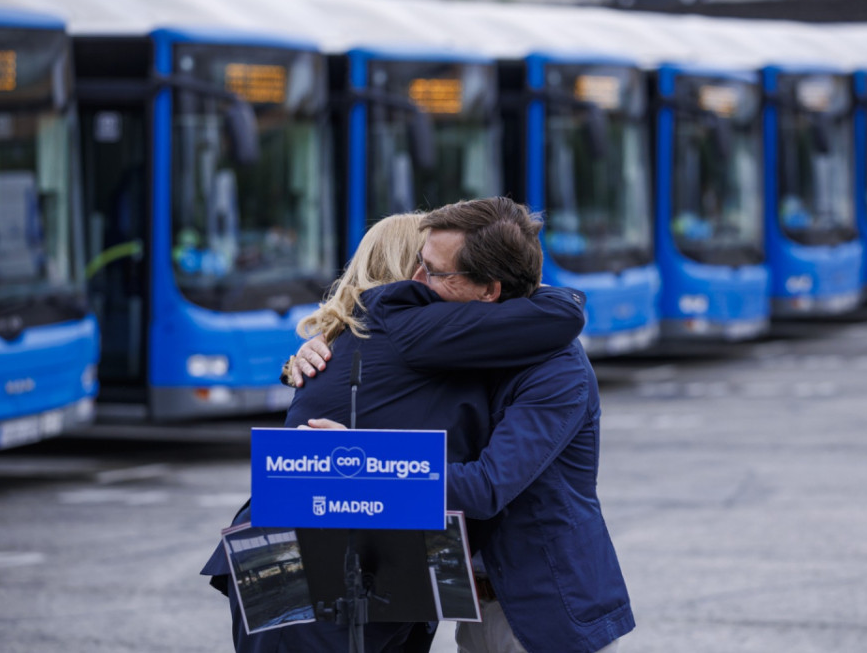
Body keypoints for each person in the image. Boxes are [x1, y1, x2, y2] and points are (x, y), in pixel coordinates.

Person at [201, 203, 588, 652]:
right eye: (421, 265)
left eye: (437, 269)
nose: (425, 279)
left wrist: (294, 363)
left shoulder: (358, 337)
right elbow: (559, 316)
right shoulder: (408, 321)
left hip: (298, 552)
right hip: (334, 561)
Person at [292, 199, 635, 653]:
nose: (416, 281)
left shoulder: (557, 370)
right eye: (418, 262)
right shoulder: (462, 345)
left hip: (541, 618)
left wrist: (366, 462)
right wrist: (312, 353)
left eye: (433, 272)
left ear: (489, 291)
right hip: (477, 610)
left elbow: (487, 487)